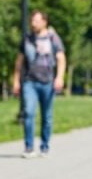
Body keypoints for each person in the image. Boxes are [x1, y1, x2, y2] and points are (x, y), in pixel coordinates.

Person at [12, 10, 66, 158]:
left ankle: (44, 145)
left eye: (36, 20)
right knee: (29, 112)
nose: (33, 23)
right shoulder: (27, 39)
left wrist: (60, 77)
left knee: (46, 116)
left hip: (48, 81)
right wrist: (16, 80)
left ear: (44, 22)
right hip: (30, 80)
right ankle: (29, 147)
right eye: (32, 20)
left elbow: (61, 58)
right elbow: (19, 61)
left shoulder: (53, 38)